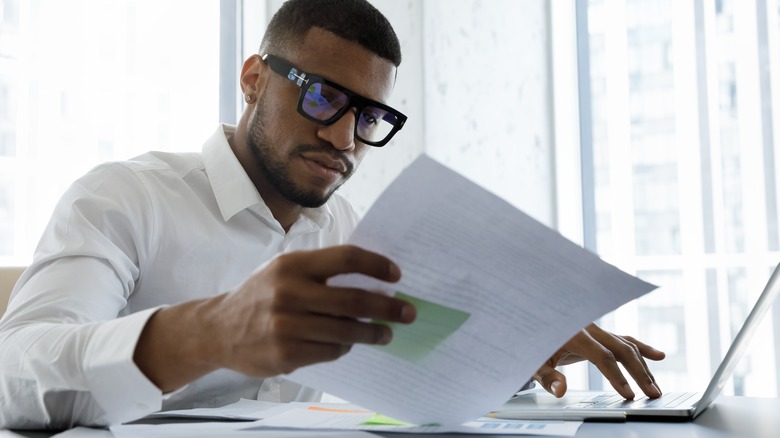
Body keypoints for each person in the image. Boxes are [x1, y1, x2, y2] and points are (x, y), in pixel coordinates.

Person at [0, 0, 665, 430]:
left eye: (370, 116)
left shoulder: (349, 228)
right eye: (322, 97)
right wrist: (211, 332)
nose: (345, 140)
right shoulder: (124, 197)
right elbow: (14, 377)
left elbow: (401, 366)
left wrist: (513, 350)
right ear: (255, 79)